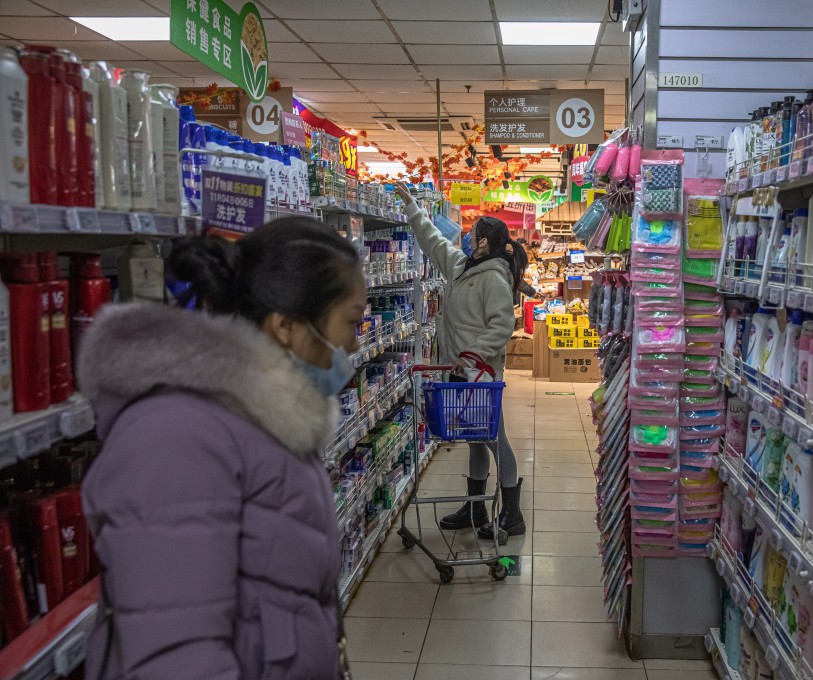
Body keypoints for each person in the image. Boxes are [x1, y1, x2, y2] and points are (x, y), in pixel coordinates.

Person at [78, 218, 365, 680]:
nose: (354, 342)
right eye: (350, 321)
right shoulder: (177, 436)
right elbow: (173, 654)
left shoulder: (264, 416)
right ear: (287, 325)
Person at [395, 183, 527, 541]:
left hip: (480, 374)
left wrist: (471, 357)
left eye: (473, 233)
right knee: (475, 440)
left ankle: (512, 514)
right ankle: (475, 508)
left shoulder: (494, 278)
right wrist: (413, 209)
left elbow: (502, 326)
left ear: (484, 242)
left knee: (496, 439)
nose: (467, 237)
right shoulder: (461, 266)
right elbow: (434, 241)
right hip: (458, 371)